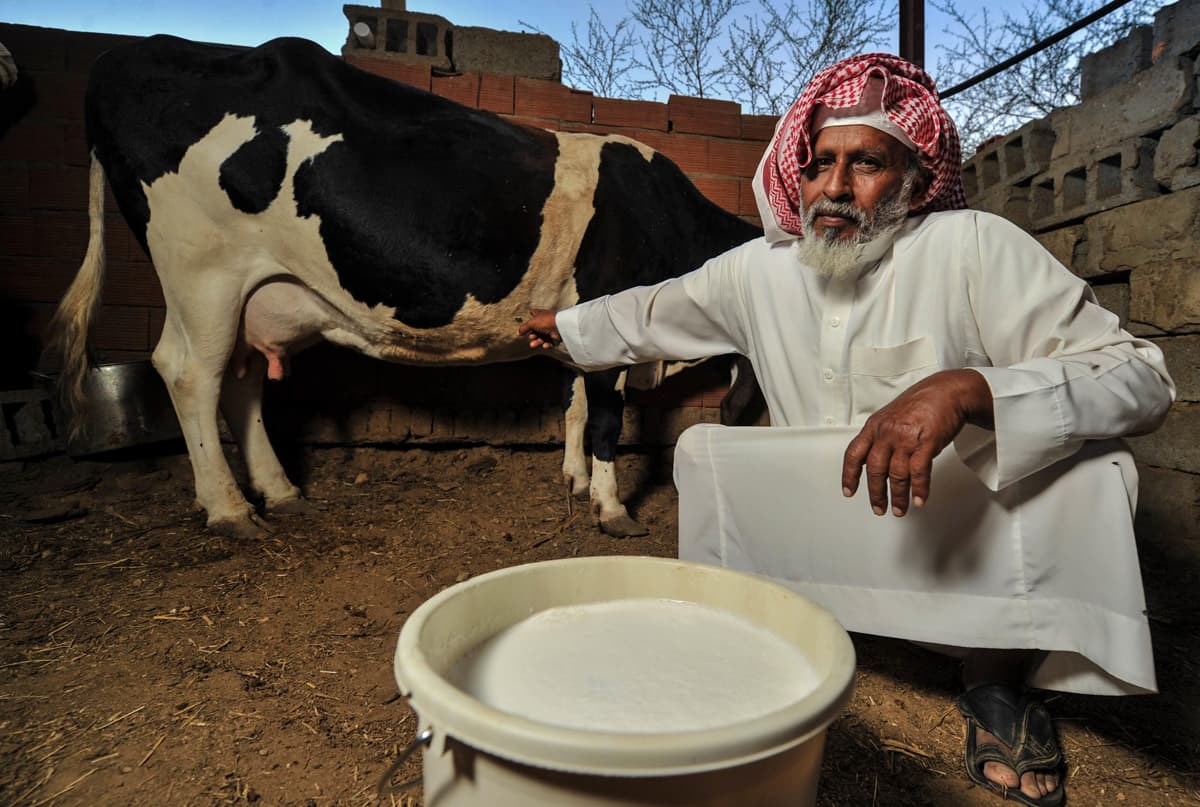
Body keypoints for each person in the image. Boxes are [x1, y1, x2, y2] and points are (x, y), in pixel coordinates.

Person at [520, 53, 1174, 806]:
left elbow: (1139, 377)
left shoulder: (972, 247)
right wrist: (564, 326)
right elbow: (652, 312)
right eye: (820, 163)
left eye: (866, 163)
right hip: (819, 519)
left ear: (918, 182)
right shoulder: (759, 272)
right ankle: (770, 645)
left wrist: (970, 389)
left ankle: (990, 673)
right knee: (708, 452)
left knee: (1094, 471)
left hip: (945, 525)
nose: (834, 187)